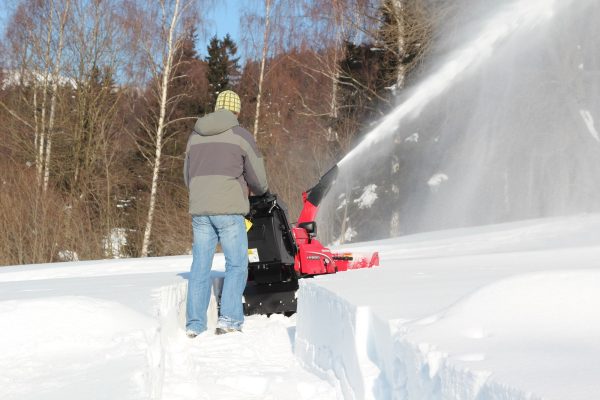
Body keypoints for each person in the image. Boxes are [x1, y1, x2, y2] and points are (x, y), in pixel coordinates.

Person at [183, 90, 268, 337]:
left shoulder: (194, 136)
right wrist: (259, 190)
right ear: (236, 111)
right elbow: (258, 177)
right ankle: (229, 320)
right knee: (237, 264)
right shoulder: (241, 135)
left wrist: (201, 195)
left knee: (200, 265)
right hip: (229, 210)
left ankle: (195, 325)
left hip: (200, 210)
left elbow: (187, 175)